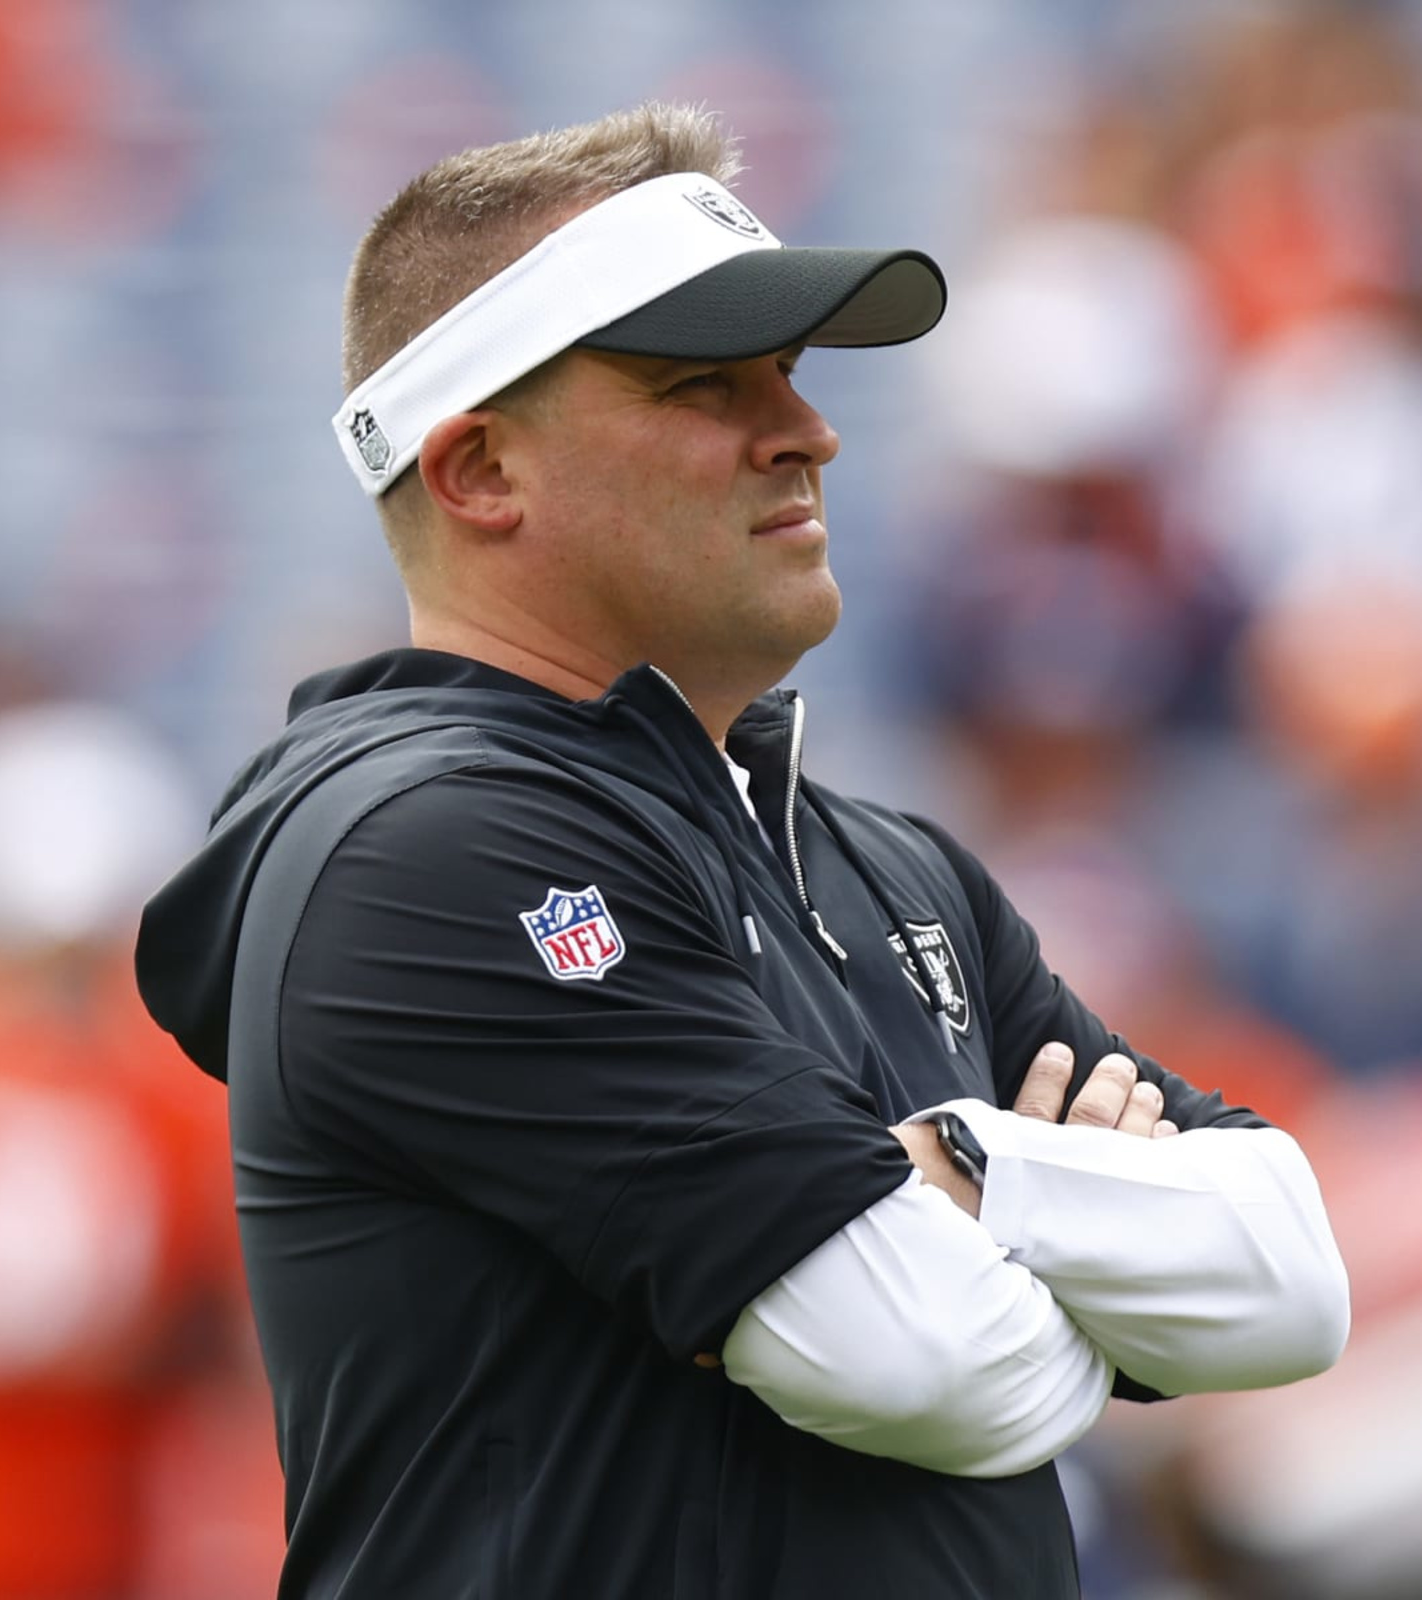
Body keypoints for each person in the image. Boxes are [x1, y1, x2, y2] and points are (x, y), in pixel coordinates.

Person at [135, 103, 1349, 1599]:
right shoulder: (430, 847)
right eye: (705, 383)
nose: (807, 428)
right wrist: (1085, 1230)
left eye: (791, 371)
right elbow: (943, 1371)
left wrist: (969, 1171)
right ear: (478, 475)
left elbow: (1293, 1282)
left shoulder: (889, 862)